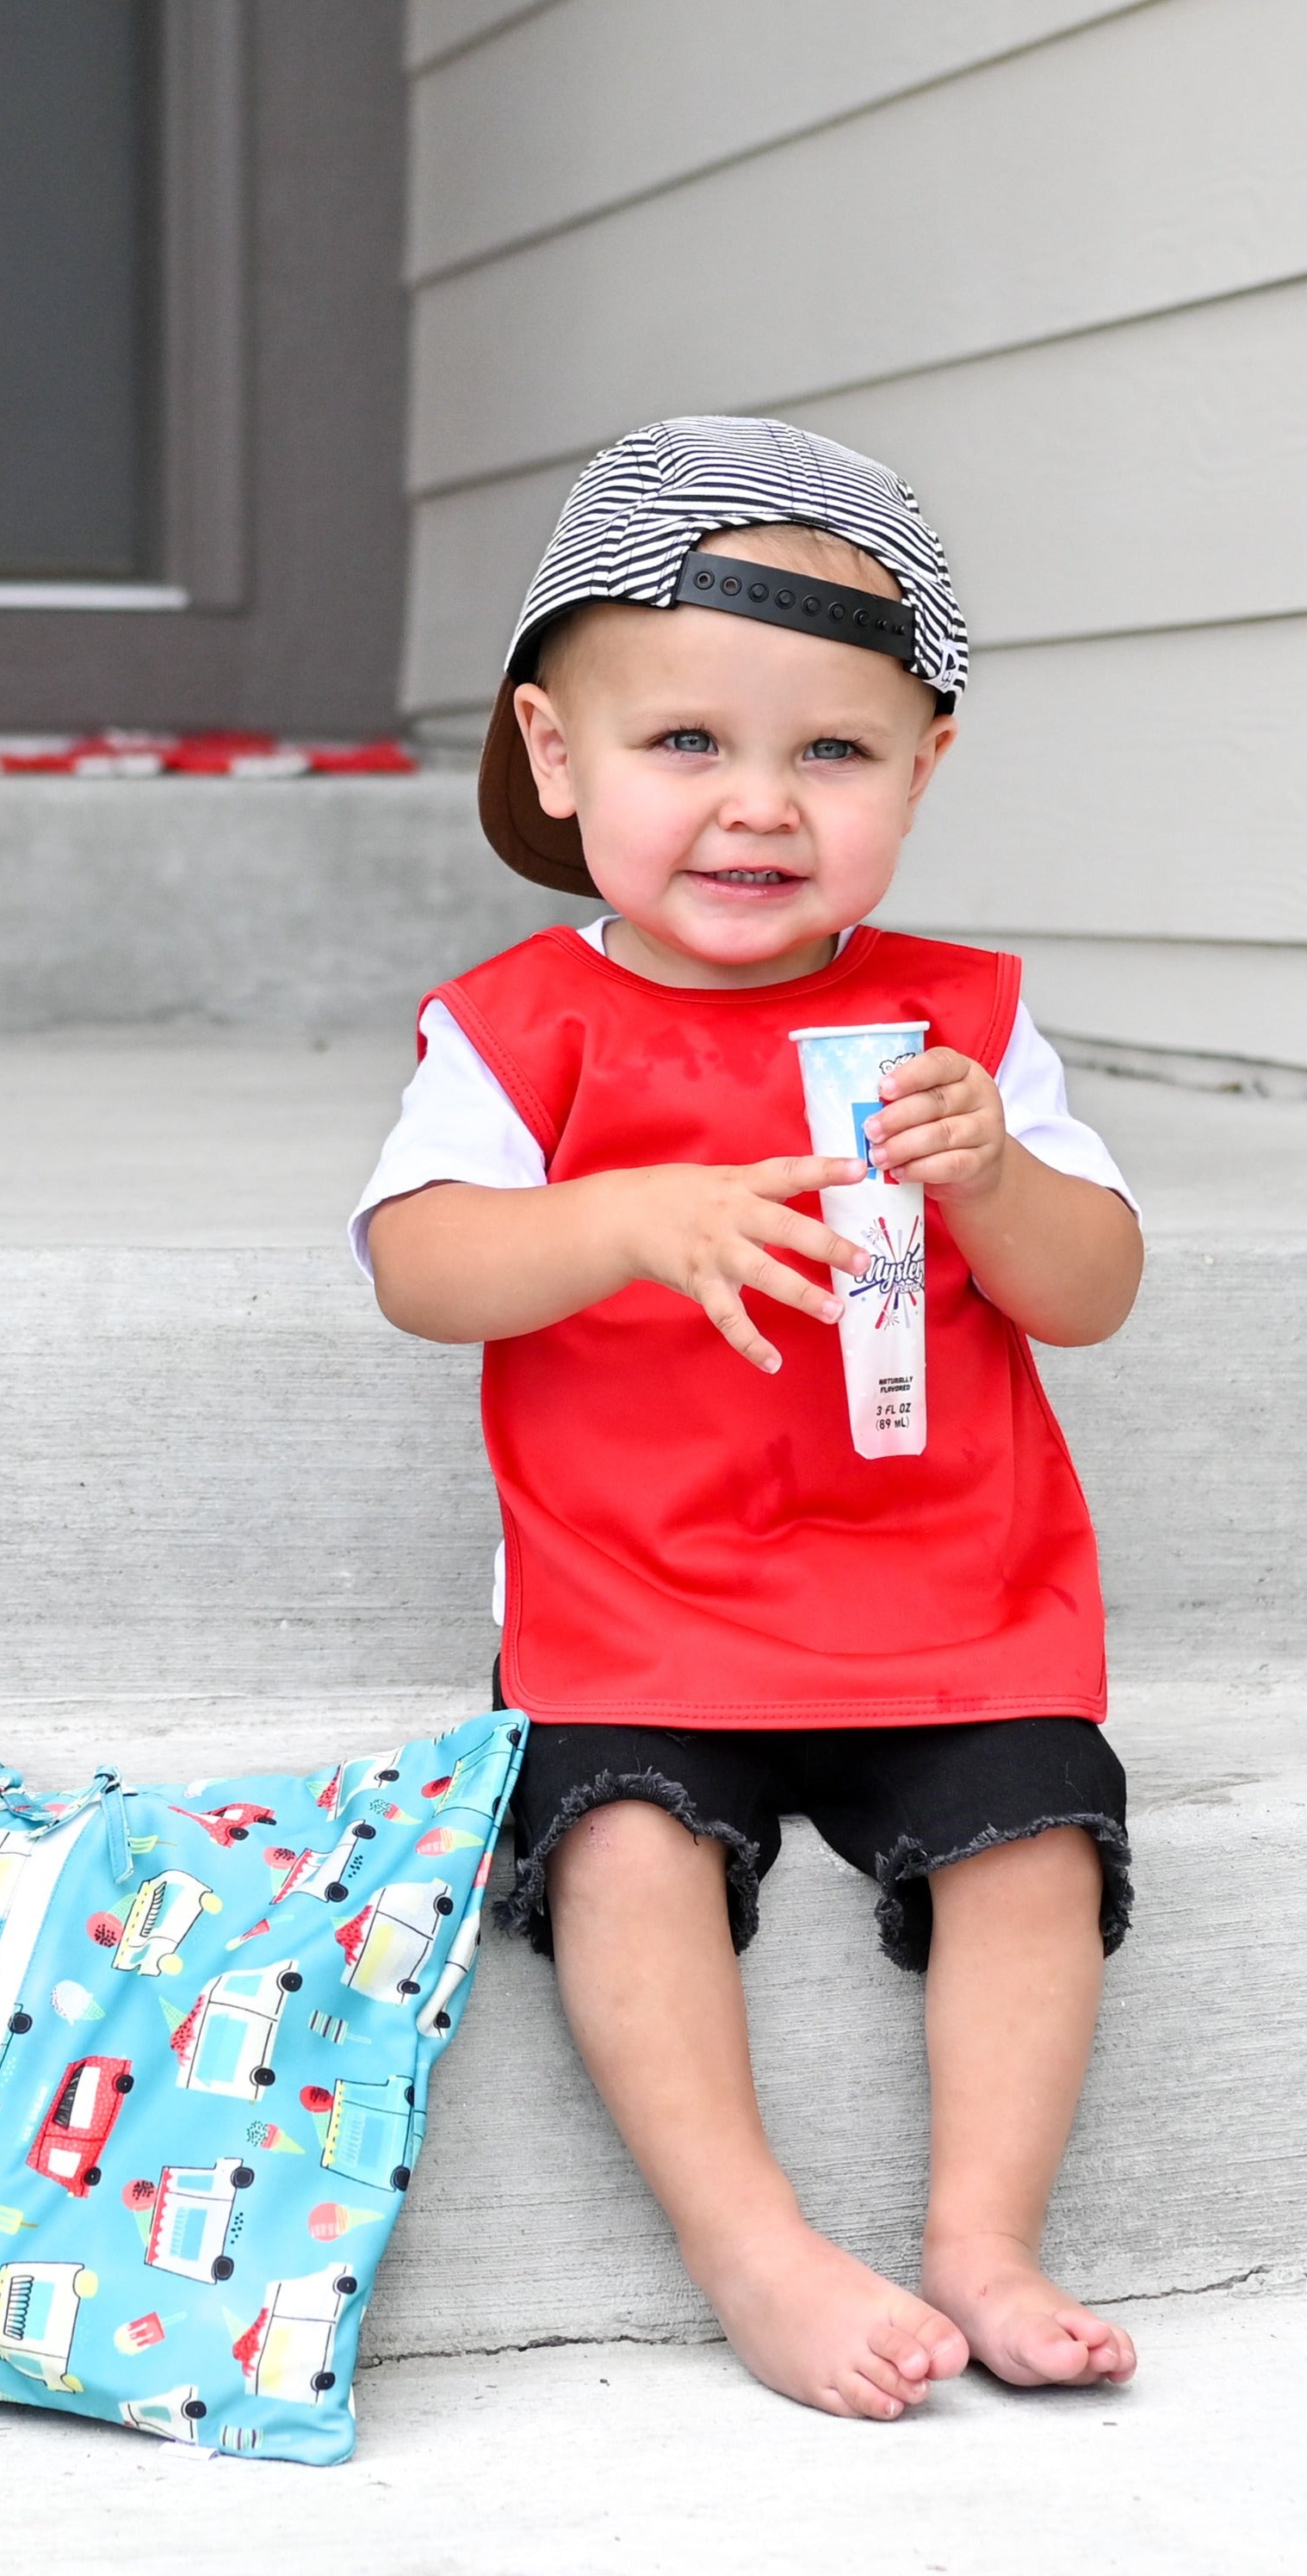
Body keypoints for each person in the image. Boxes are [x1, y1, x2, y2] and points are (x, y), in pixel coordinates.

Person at [354, 417, 1144, 2421]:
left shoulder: (960, 1026)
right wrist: (610, 1212)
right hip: (646, 1600)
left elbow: (1093, 1289)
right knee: (620, 1844)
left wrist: (996, 1179)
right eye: (684, 743)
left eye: (832, 753)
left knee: (1034, 1838)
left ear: (922, 770)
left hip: (944, 1588)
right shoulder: (520, 1029)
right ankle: (755, 2244)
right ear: (556, 756)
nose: (757, 808)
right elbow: (421, 1265)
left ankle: (982, 2232)